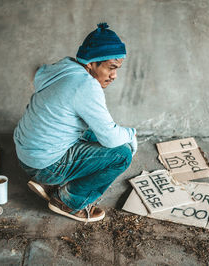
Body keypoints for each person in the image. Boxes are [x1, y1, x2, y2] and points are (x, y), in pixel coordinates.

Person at [13, 22, 137, 223]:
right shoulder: (87, 86)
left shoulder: (65, 66)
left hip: (24, 153)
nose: (114, 76)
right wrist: (131, 135)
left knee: (92, 133)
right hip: (43, 165)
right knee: (121, 154)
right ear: (91, 64)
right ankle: (68, 202)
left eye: (117, 69)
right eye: (111, 68)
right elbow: (111, 137)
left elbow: (37, 74)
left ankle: (47, 183)